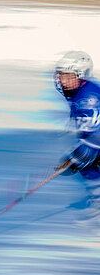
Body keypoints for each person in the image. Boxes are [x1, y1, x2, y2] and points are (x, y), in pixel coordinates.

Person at [54, 51, 100, 180]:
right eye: (61, 76)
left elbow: (95, 141)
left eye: (69, 76)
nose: (63, 81)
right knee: (88, 165)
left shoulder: (87, 100)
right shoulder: (81, 92)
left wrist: (74, 160)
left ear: (82, 76)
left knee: (87, 165)